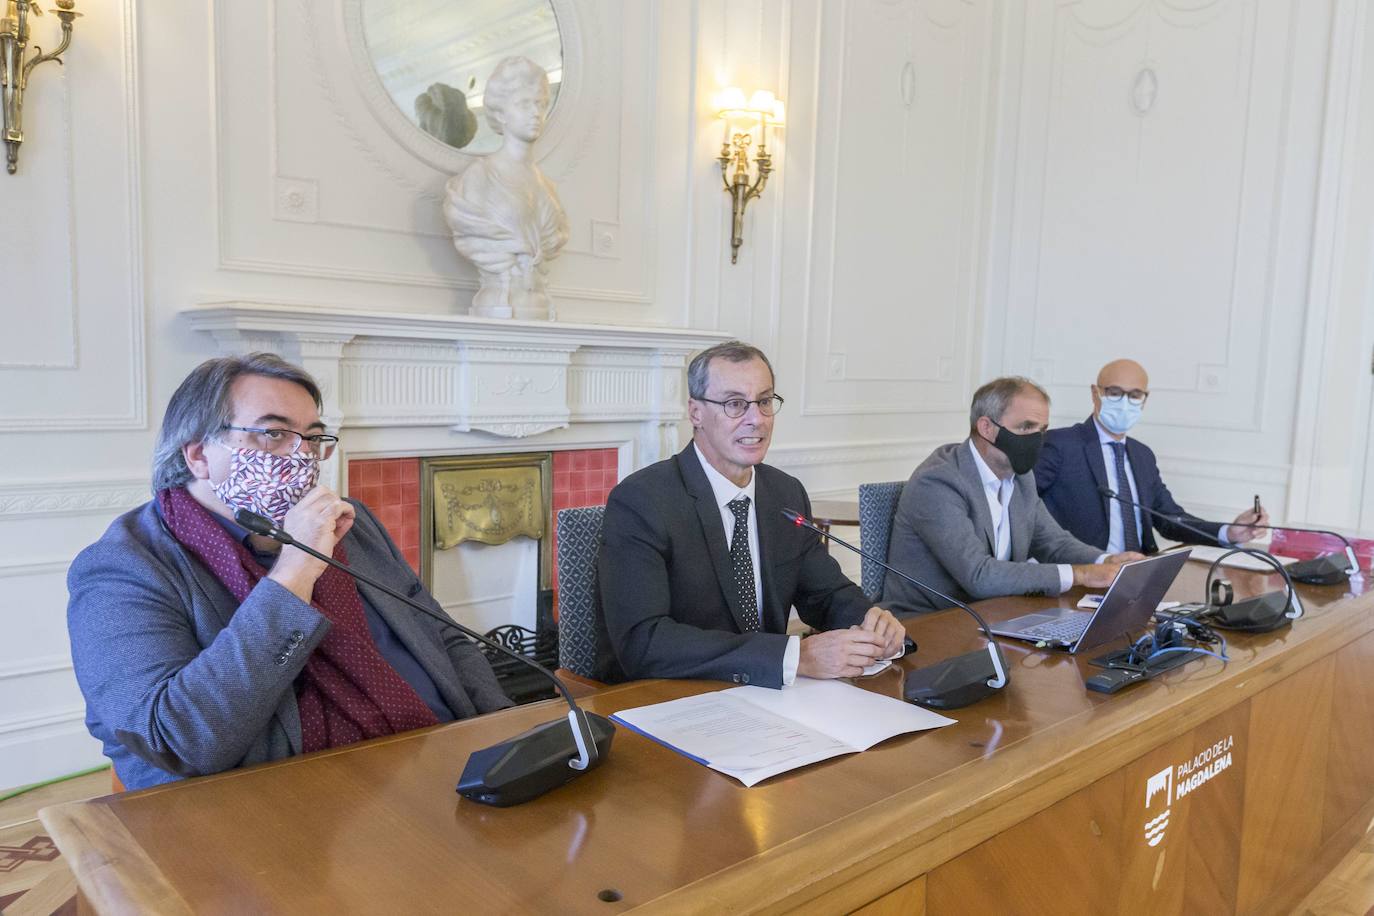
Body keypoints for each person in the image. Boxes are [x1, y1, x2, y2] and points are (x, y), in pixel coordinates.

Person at [68, 354, 512, 791]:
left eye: (313, 438)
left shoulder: (350, 523)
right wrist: (296, 571)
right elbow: (180, 740)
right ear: (200, 455)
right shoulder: (121, 568)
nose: (301, 458)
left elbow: (441, 637)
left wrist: (504, 729)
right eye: (274, 434)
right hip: (269, 808)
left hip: (434, 760)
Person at [595, 341, 906, 687]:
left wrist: (870, 622)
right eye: (735, 404)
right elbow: (644, 642)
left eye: (764, 401)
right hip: (668, 696)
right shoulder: (642, 500)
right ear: (695, 412)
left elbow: (826, 594)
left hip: (766, 697)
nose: (756, 419)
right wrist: (794, 656)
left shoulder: (784, 493)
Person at [883, 377, 1144, 613]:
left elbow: (1053, 542)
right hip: (930, 625)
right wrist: (1081, 575)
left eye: (1041, 430)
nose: (1036, 439)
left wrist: (1106, 560)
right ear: (986, 427)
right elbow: (980, 576)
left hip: (995, 613)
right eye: (1026, 427)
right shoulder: (938, 481)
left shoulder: (1020, 476)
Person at [1035, 358, 1268, 554]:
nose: (1125, 403)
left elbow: (1169, 519)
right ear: (1095, 394)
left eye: (1135, 395)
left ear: (1145, 400)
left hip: (1139, 574)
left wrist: (1229, 531)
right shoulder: (1060, 445)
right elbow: (1023, 507)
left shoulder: (1142, 455)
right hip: (1084, 574)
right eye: (1114, 393)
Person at [443, 56, 570, 320]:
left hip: (541, 308)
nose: (536, 112)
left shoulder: (547, 188)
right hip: (496, 304)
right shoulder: (478, 178)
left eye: (540, 104)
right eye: (524, 104)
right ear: (500, 112)